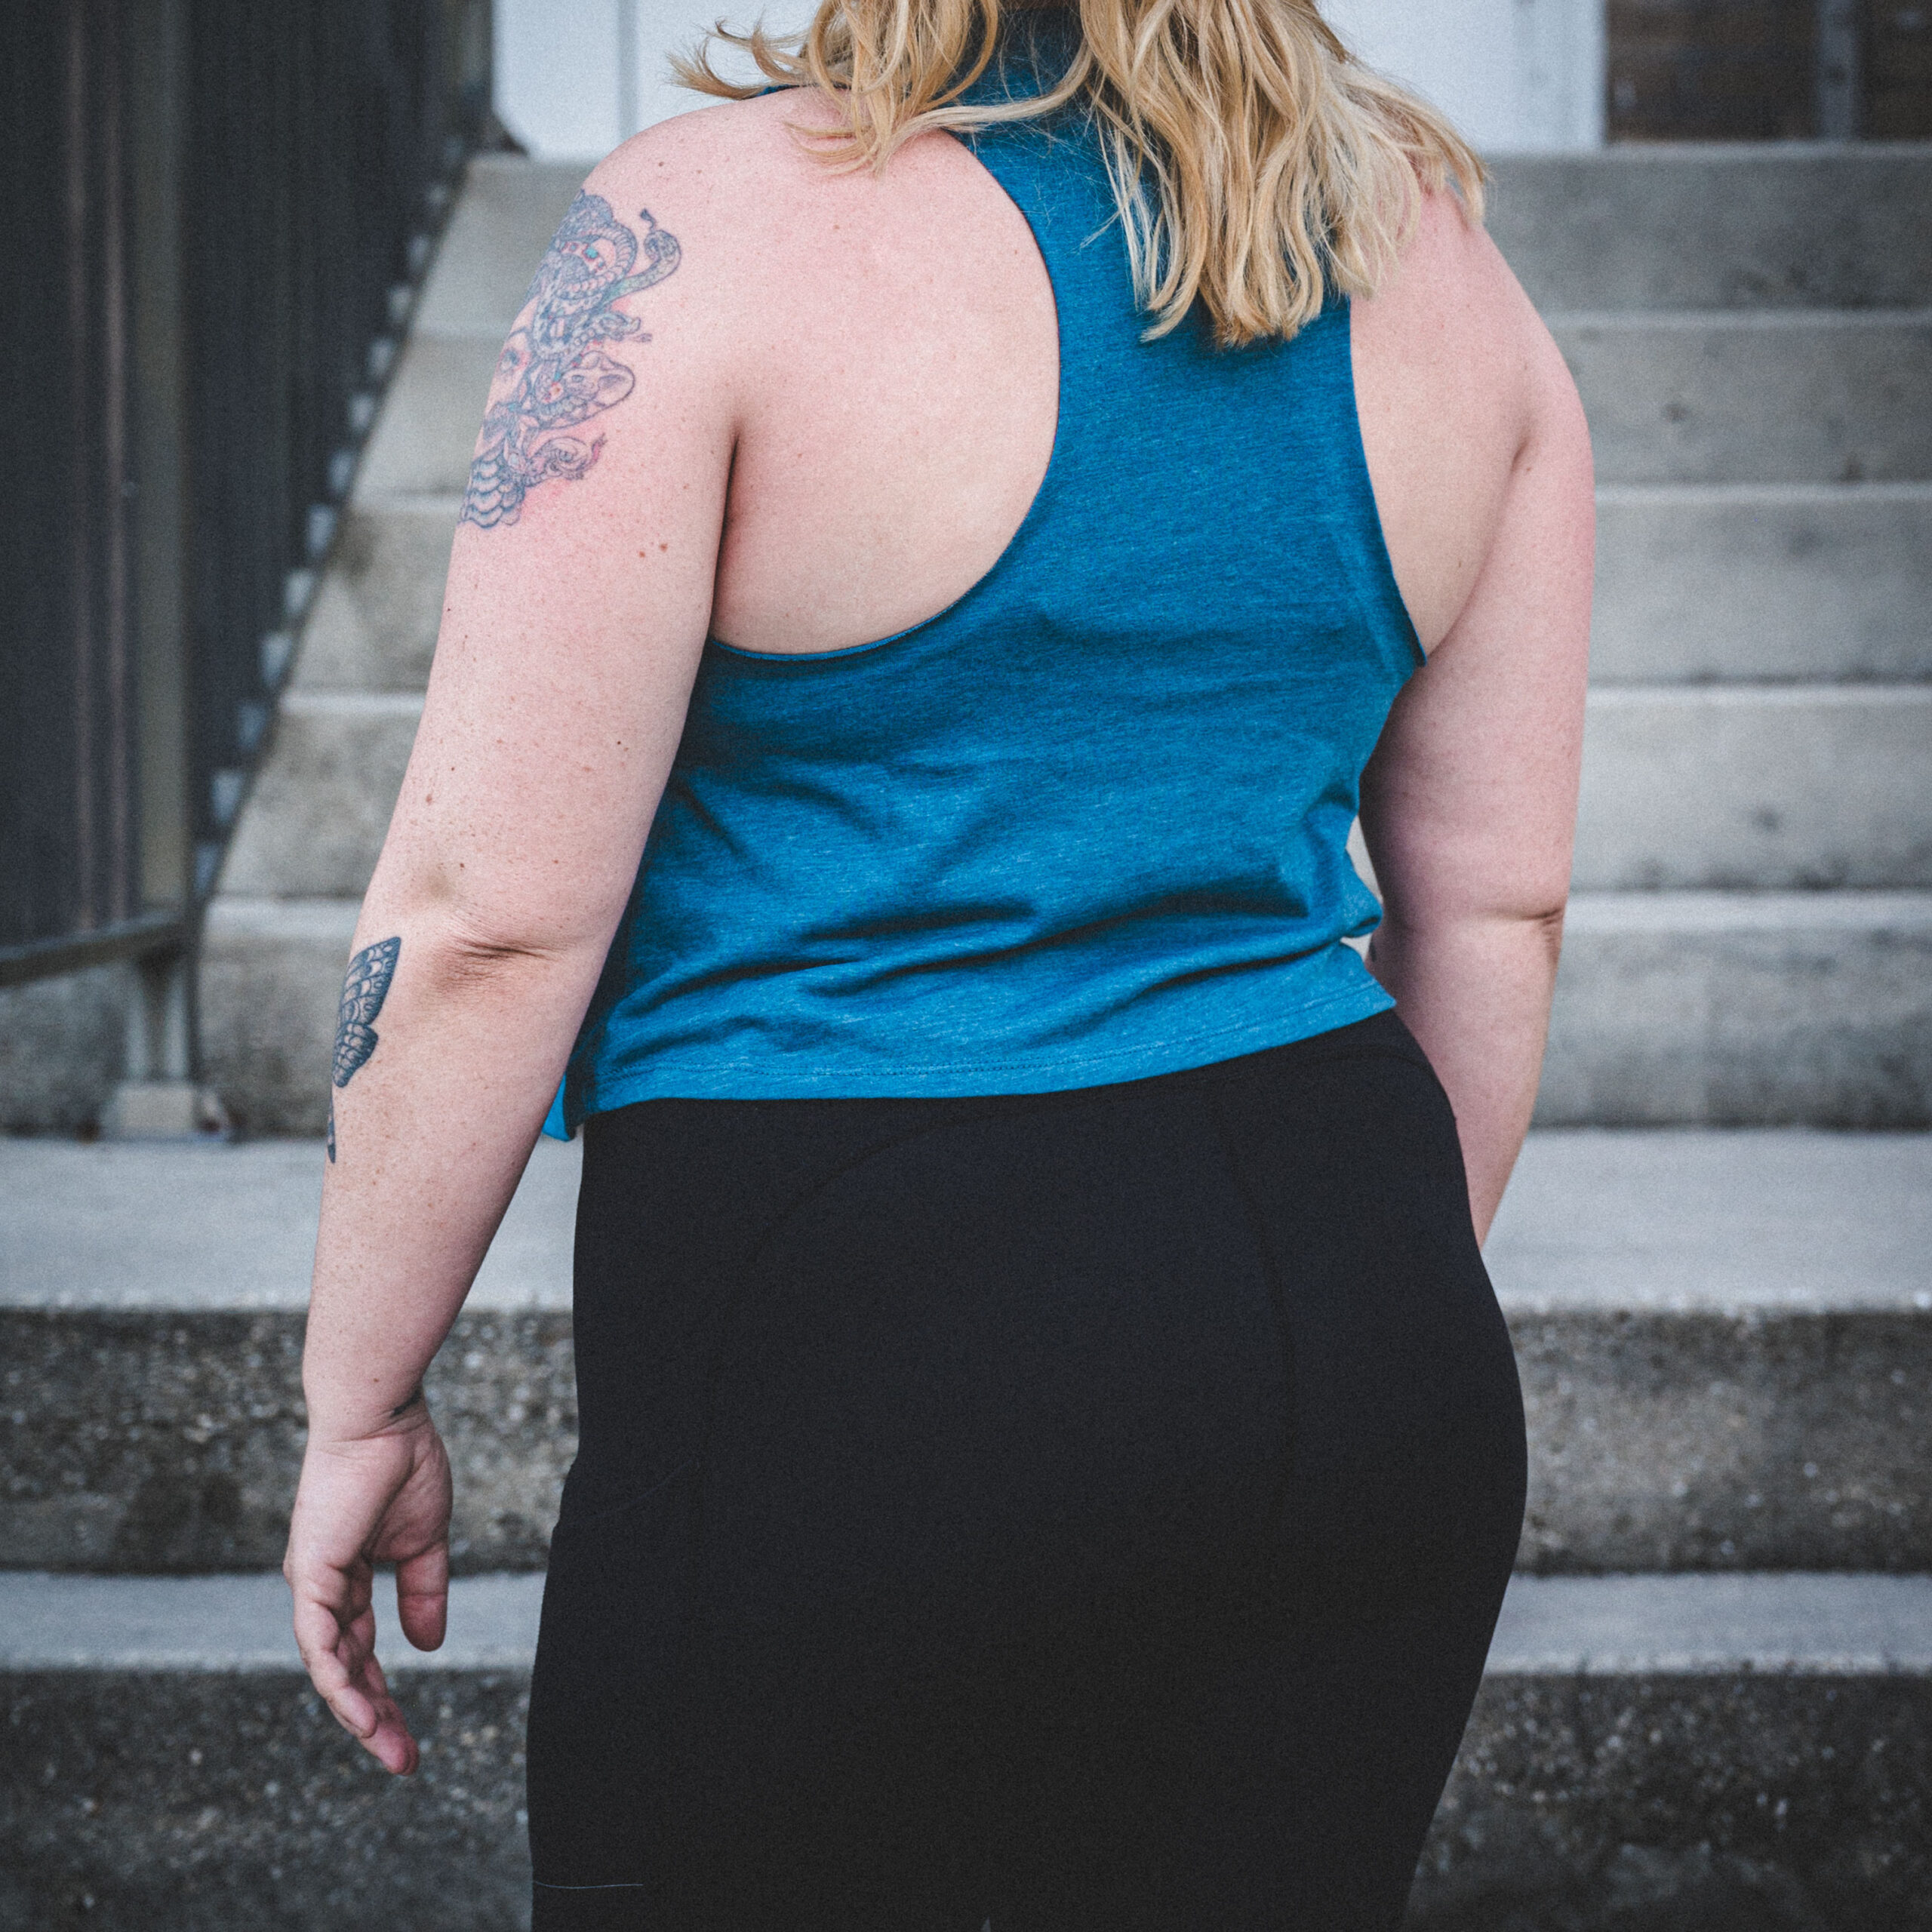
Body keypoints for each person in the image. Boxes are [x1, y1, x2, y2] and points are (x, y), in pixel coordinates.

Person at [283, 0, 1592, 1923]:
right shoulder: (1439, 260)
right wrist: (1303, 1319)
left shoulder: (700, 231)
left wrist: (358, 1397)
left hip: (864, 1328)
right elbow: (1492, 908)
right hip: (1356, 1302)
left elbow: (486, 915)